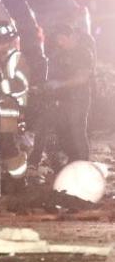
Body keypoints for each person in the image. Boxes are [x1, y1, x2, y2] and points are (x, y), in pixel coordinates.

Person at [34, 24, 95, 165]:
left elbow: (82, 78)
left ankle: (83, 164)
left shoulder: (84, 53)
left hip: (78, 99)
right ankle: (65, 161)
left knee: (77, 131)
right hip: (61, 99)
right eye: (58, 40)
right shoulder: (60, 53)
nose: (59, 42)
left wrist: (59, 84)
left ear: (72, 36)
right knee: (52, 128)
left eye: (62, 39)